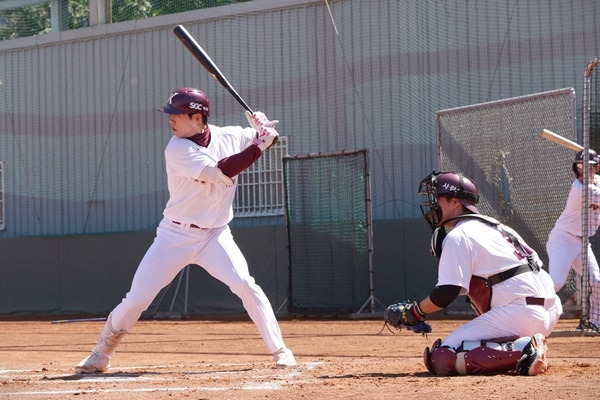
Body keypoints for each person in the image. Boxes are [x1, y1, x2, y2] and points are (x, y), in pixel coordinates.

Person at [75, 87, 296, 373]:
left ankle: (280, 350)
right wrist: (259, 146)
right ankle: (100, 353)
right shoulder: (177, 149)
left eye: (177, 115)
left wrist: (263, 130)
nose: (170, 120)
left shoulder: (228, 135)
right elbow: (222, 170)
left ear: (196, 116)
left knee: (245, 285)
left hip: (215, 235)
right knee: (138, 299)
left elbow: (262, 137)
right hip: (175, 236)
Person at [384, 170, 562, 376]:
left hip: (522, 313)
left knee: (442, 356)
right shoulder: (499, 227)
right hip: (549, 311)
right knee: (473, 341)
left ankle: (525, 351)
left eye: (437, 199)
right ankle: (523, 344)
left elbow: (446, 293)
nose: (432, 205)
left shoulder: (459, 235)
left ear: (455, 203)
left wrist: (414, 312)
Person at [546, 149, 600, 331]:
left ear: (596, 168)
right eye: (580, 167)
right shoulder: (580, 189)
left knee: (596, 281)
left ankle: (594, 322)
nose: (583, 171)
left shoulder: (597, 183)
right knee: (556, 283)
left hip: (583, 242)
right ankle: (524, 311)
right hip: (563, 238)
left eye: (588, 167)